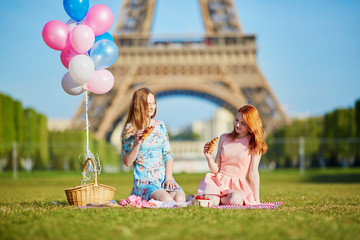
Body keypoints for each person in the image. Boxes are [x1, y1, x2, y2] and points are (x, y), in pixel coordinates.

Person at [121, 87, 186, 202]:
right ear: (139, 105)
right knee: (166, 199)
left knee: (180, 198)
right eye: (147, 104)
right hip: (145, 181)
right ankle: (141, 195)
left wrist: (169, 179)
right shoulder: (130, 128)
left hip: (163, 178)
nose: (152, 107)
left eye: (153, 103)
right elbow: (127, 162)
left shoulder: (160, 126)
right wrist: (137, 144)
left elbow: (168, 155)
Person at [196, 105, 267, 206]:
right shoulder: (224, 138)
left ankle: (220, 200)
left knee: (235, 200)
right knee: (212, 201)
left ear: (251, 124)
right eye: (236, 120)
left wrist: (257, 201)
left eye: (243, 123)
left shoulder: (255, 143)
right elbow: (216, 169)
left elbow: (253, 173)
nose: (237, 125)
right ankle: (217, 199)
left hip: (237, 187)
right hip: (218, 182)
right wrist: (209, 157)